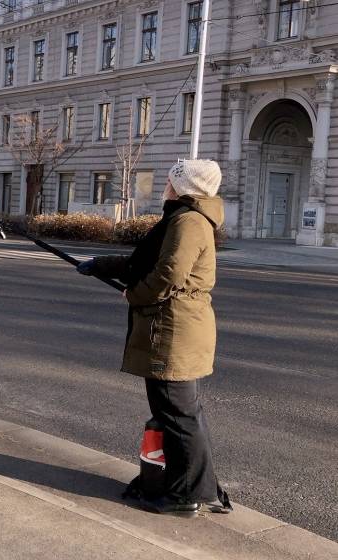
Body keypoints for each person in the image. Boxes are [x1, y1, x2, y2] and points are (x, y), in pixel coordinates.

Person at [77, 159, 230, 516]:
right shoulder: (184, 217)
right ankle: (198, 486)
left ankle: (187, 495)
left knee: (177, 412)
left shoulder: (189, 220)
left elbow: (168, 273)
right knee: (181, 411)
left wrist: (136, 294)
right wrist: (100, 264)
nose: (166, 183)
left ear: (184, 186)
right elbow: (143, 262)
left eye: (172, 179)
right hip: (174, 323)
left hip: (172, 327)